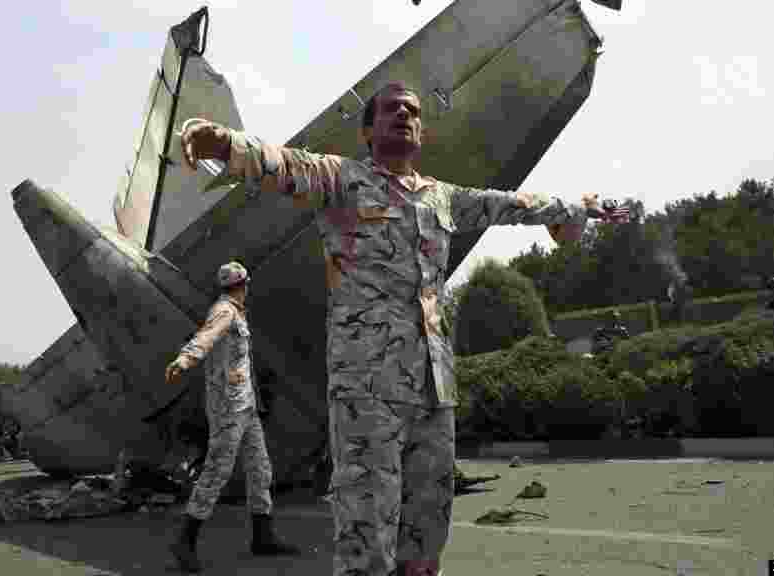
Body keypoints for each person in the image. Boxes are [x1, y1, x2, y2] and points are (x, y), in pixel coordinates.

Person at [177, 82, 619, 576]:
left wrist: (575, 210)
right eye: (390, 110)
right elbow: (284, 163)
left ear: (422, 132)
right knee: (367, 528)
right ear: (368, 130)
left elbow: (510, 205)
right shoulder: (342, 180)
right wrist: (221, 142)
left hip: (434, 389)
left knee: (427, 528)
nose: (403, 115)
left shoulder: (443, 199)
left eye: (412, 110)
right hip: (368, 388)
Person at [165, 261, 300, 572]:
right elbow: (207, 335)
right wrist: (187, 358)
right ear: (244, 285)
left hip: (246, 405)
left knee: (260, 469)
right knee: (217, 470)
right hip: (229, 407)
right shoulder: (225, 311)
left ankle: (262, 536)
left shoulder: (236, 312)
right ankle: (185, 541)